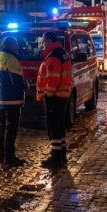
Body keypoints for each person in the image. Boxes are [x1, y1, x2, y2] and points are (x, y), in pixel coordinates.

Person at [36, 31, 72, 169]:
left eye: (44, 40)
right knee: (60, 127)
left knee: (53, 127)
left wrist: (48, 94)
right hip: (63, 96)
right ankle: (61, 155)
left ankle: (56, 158)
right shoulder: (62, 53)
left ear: (49, 41)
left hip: (55, 97)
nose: (42, 43)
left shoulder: (53, 56)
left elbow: (53, 79)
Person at [0, 36, 26, 167]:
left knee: (2, 127)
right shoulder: (11, 60)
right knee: (11, 129)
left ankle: (2, 155)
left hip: (0, 99)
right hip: (13, 100)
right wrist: (25, 85)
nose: (17, 47)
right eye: (15, 44)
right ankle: (9, 157)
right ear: (10, 46)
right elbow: (16, 81)